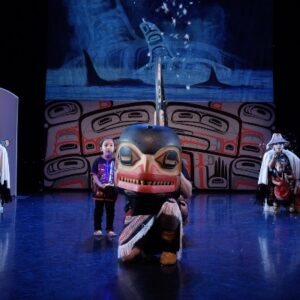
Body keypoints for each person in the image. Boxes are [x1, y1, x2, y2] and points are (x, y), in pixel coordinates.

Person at [257, 133, 300, 212]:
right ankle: (272, 204)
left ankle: (290, 204)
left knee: (289, 194)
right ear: (273, 145)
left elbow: (295, 163)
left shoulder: (288, 154)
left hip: (285, 180)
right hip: (274, 180)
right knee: (272, 194)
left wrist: (291, 176)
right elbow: (269, 167)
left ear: (283, 145)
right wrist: (274, 157)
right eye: (276, 144)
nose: (279, 145)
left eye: (280, 143)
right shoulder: (269, 155)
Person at [91, 137, 118, 237]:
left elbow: (118, 175)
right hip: (100, 190)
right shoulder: (97, 161)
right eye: (106, 145)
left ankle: (110, 229)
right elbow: (94, 175)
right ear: (101, 148)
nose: (108, 147)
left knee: (110, 210)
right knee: (98, 210)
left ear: (114, 148)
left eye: (111, 145)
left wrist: (116, 185)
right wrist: (99, 184)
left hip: (111, 190)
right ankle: (97, 229)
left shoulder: (116, 161)